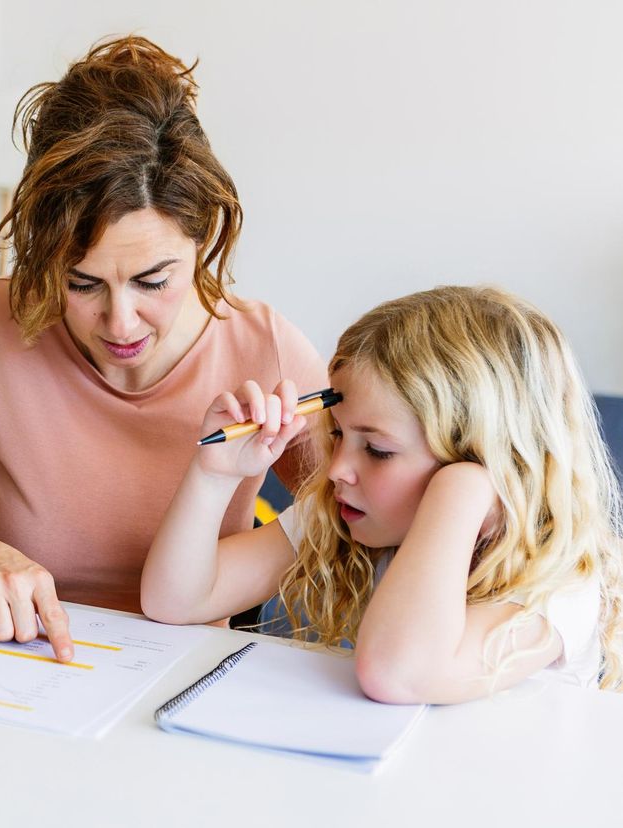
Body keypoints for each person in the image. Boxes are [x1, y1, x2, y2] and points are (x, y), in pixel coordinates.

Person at [0, 36, 326, 663]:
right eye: (81, 283)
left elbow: (361, 503)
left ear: (205, 236)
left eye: (153, 280)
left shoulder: (264, 348)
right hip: (14, 664)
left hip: (184, 680)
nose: (119, 321)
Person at [141, 285, 623, 702]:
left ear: (481, 460)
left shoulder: (560, 585)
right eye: (337, 436)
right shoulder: (350, 514)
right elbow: (177, 601)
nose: (336, 471)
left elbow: (398, 674)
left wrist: (461, 490)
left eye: (376, 449)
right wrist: (214, 475)